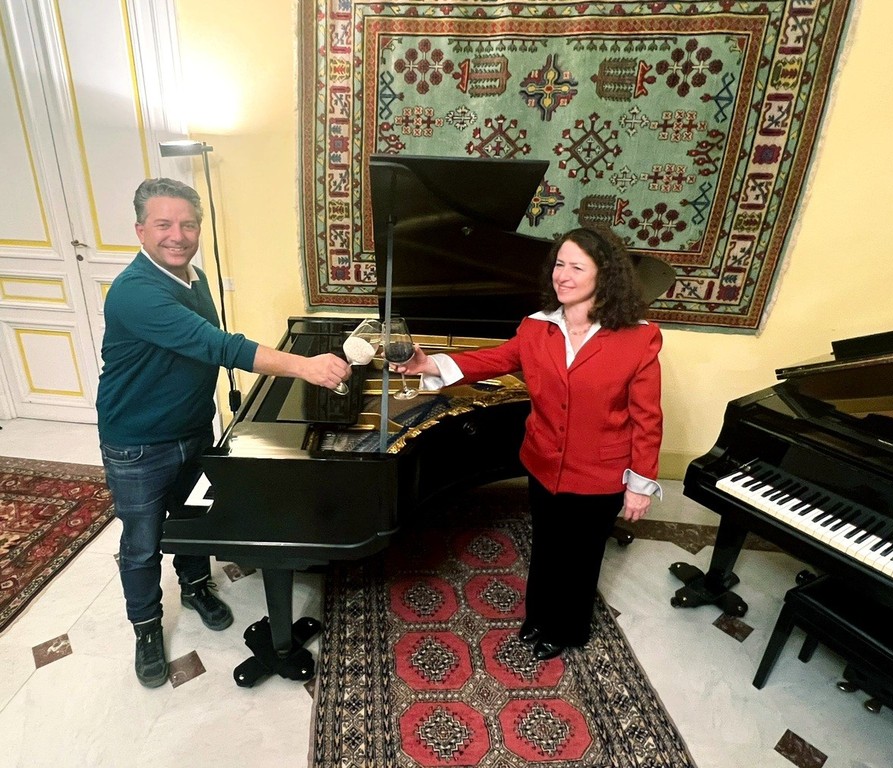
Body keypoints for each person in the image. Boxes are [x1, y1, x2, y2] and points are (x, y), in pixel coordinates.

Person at [96, 177, 351, 687]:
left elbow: (207, 344)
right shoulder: (134, 293)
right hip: (138, 442)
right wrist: (305, 367)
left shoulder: (194, 277)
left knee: (193, 517)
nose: (178, 235)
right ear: (140, 230)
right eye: (164, 224)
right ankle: (146, 629)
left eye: (188, 224)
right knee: (142, 543)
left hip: (192, 426)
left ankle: (195, 586)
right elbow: (218, 345)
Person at [392, 227, 662, 660]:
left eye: (577, 267)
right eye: (559, 264)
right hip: (542, 463)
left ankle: (568, 629)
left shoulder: (638, 338)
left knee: (580, 557)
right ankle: (539, 616)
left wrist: (640, 484)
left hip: (601, 474)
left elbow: (647, 418)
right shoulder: (536, 327)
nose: (563, 276)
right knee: (548, 547)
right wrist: (431, 363)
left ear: (605, 275)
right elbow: (494, 359)